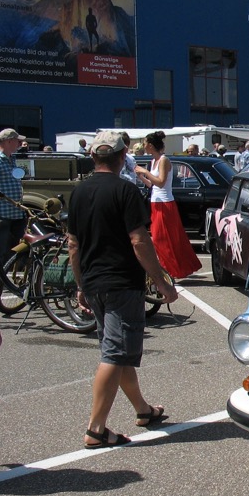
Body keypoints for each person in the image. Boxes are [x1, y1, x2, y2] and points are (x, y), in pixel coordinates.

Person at [66, 130, 178, 449]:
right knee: (115, 353)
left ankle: (143, 410)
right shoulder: (126, 190)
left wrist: (80, 285)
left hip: (94, 282)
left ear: (92, 157)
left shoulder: (79, 192)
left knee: (118, 350)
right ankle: (96, 428)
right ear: (121, 156)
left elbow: (73, 245)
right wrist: (161, 282)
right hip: (121, 283)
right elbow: (139, 240)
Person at [134, 132, 202, 278]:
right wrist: (141, 177)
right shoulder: (153, 161)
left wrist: (145, 171)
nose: (143, 146)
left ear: (151, 145)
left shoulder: (164, 160)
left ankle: (168, 271)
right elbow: (153, 184)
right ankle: (168, 269)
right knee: (160, 238)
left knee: (162, 238)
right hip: (156, 202)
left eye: (145, 143)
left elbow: (161, 181)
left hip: (165, 204)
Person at [0, 128, 27, 268]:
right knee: (1, 251)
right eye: (17, 140)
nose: (20, 143)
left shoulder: (12, 159)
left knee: (16, 250)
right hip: (2, 215)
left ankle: (10, 278)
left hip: (16, 214)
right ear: (9, 141)